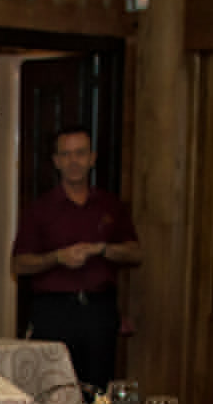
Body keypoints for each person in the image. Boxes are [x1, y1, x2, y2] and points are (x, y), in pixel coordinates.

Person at [11, 125, 141, 390]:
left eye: (80, 153)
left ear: (92, 158)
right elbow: (19, 264)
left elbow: (136, 252)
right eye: (66, 154)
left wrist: (102, 249)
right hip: (54, 313)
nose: (74, 161)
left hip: (98, 311)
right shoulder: (40, 210)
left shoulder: (110, 205)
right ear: (56, 161)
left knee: (97, 393)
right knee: (53, 390)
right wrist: (57, 258)